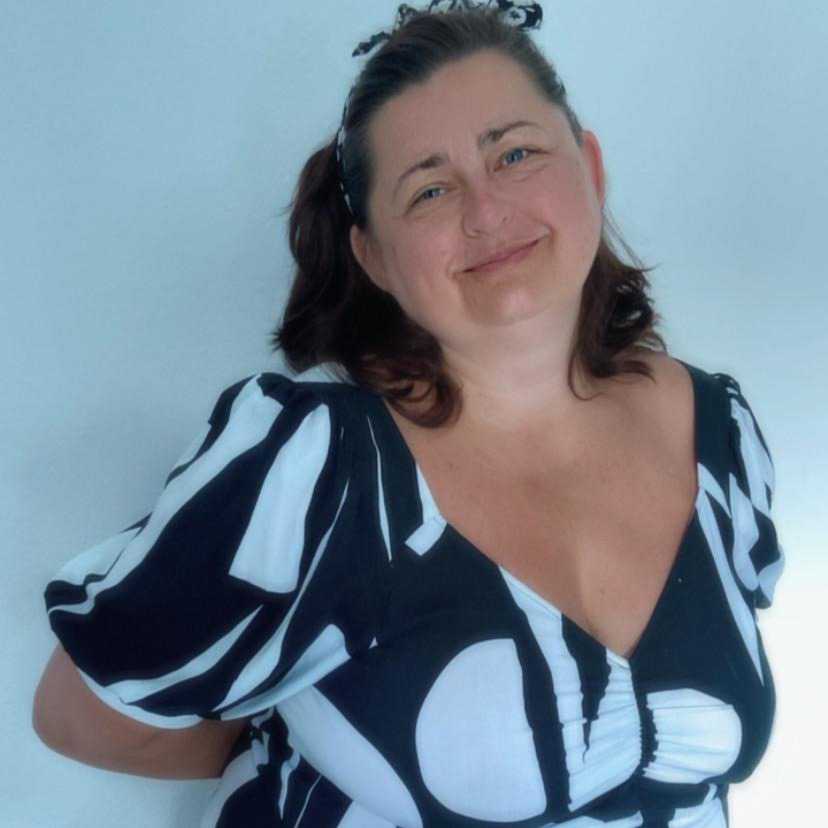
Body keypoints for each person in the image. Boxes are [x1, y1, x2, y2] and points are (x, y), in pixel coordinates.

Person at [33, 2, 785, 826]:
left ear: (591, 166)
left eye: (516, 153)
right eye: (429, 189)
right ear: (375, 257)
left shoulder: (715, 429)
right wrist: (321, 741)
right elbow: (80, 719)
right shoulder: (316, 472)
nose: (485, 211)